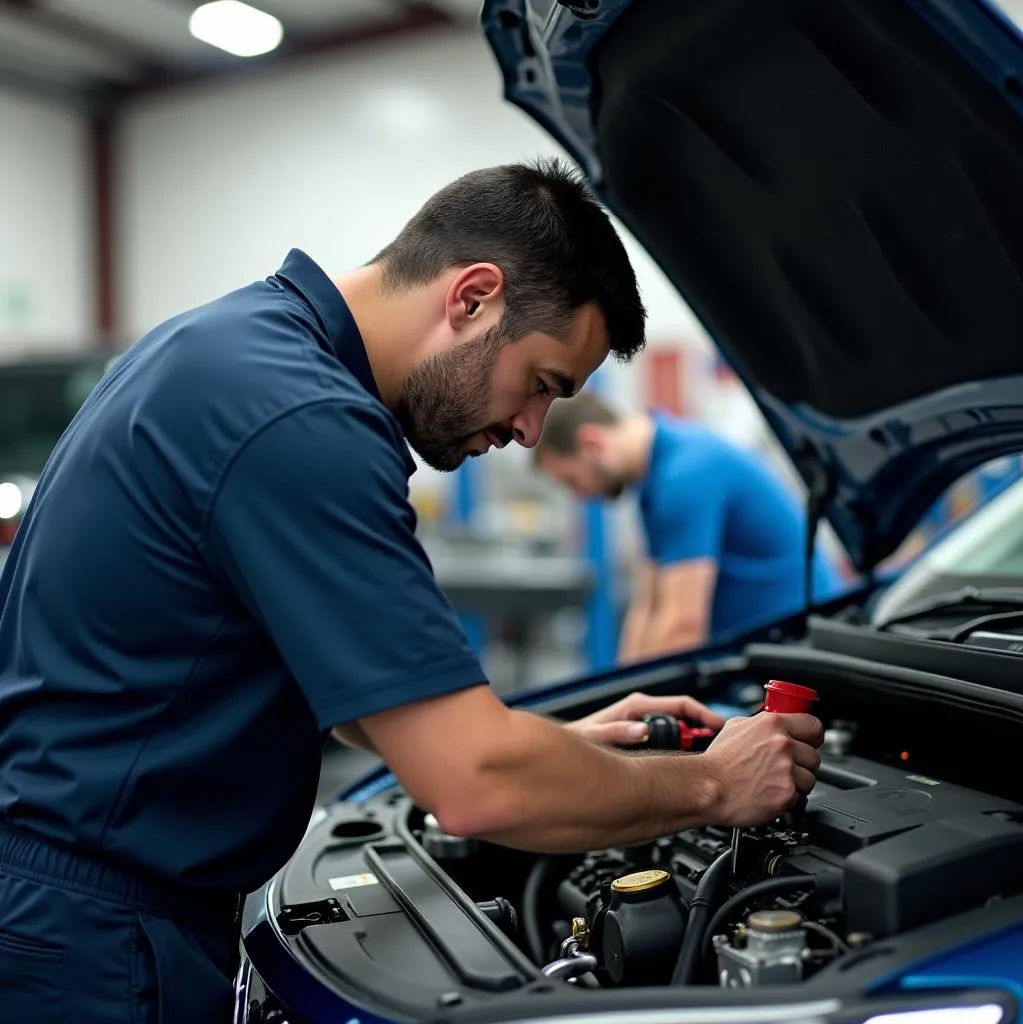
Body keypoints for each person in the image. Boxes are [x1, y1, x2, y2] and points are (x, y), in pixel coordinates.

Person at [0, 159, 822, 1022]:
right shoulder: (299, 418)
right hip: (94, 939)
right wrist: (715, 786)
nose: (530, 432)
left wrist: (543, 748)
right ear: (472, 296)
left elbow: (359, 700)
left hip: (85, 908)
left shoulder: (238, 348)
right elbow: (473, 788)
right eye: (541, 384)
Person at [534, 392, 845, 662]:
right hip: (764, 650)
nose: (580, 496)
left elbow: (683, 626)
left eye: (572, 481)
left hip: (806, 648)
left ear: (593, 443)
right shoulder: (653, 477)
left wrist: (640, 713)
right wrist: (618, 701)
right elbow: (648, 607)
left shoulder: (685, 475)